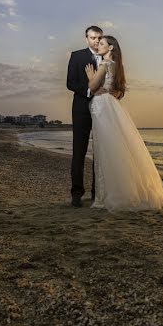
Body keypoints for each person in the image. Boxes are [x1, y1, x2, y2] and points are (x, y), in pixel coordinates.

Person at [84, 35, 163, 211]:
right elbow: (117, 90)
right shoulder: (118, 67)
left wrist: (90, 75)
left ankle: (114, 194)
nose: (98, 46)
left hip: (103, 107)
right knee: (117, 148)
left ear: (110, 48)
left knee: (107, 150)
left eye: (102, 44)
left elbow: (93, 87)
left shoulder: (104, 64)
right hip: (111, 105)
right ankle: (121, 191)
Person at [66, 25, 103, 207]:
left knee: (101, 152)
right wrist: (90, 91)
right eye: (92, 38)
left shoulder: (106, 56)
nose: (96, 41)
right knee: (78, 151)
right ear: (86, 38)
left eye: (98, 38)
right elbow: (70, 83)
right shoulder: (77, 56)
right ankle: (76, 193)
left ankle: (97, 192)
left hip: (103, 110)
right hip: (81, 108)